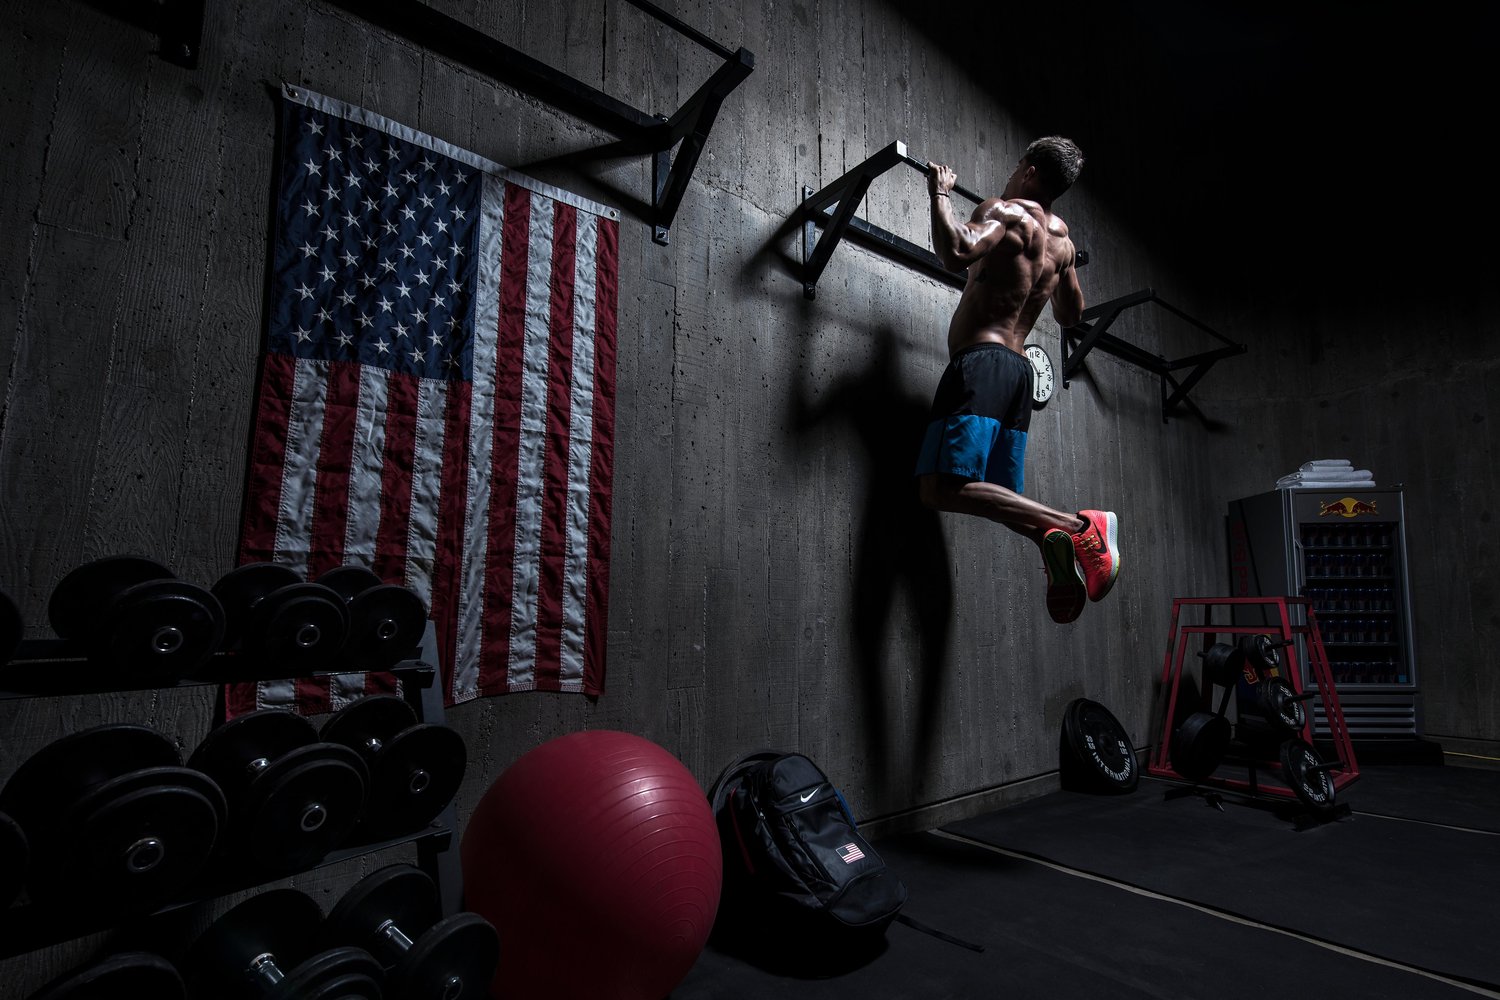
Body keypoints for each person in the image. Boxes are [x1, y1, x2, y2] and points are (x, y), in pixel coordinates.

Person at [913, 136, 1119, 624]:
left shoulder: (1006, 213)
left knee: (937, 489)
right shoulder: (1063, 245)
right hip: (1019, 373)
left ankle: (1078, 527)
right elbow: (1072, 315)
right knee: (1002, 498)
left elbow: (956, 250)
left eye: (1015, 166)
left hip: (981, 362)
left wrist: (940, 194)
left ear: (1028, 170)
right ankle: (1049, 540)